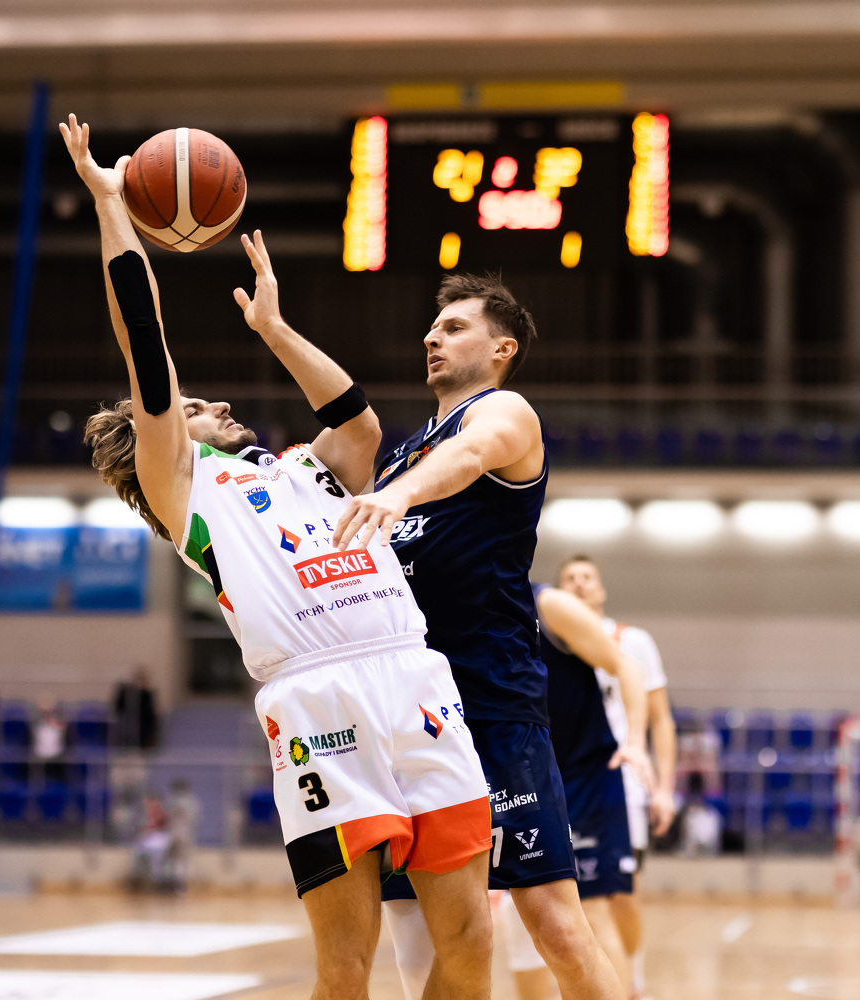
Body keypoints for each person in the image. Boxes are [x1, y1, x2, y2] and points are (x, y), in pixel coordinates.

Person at [62, 115, 493, 1000]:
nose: (214, 404)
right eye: (195, 408)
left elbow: (360, 425)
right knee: (345, 964)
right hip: (317, 702)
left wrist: (274, 328)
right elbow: (145, 342)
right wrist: (110, 204)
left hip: (414, 677)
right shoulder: (184, 491)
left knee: (471, 939)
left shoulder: (302, 466)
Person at [338, 271, 648, 1000]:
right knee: (423, 930)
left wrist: (397, 493)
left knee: (556, 926)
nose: (432, 338)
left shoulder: (504, 412)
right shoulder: (407, 449)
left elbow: (472, 455)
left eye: (454, 328)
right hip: (406, 710)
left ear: (501, 347)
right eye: (432, 328)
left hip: (489, 702)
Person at [557, 555, 676, 1000]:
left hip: (622, 783)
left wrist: (664, 789)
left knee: (624, 894)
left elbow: (662, 720)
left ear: (601, 589)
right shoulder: (548, 642)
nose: (579, 583)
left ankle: (634, 979)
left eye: (587, 577)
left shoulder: (632, 641)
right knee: (581, 899)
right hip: (567, 782)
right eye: (570, 578)